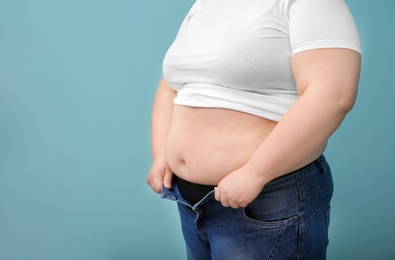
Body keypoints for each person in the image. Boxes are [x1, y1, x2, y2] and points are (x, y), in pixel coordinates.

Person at [147, 0, 361, 259]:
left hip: (266, 199)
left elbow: (332, 95)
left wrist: (256, 172)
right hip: (189, 202)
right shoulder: (207, 4)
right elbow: (173, 82)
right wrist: (162, 154)